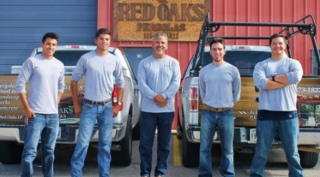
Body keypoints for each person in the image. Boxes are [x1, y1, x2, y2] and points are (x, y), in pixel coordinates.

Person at [70, 28, 124, 177]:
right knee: (82, 143)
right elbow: (74, 81)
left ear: (109, 41)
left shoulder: (114, 60)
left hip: (107, 107)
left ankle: (104, 174)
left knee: (105, 146)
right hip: (89, 106)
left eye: (107, 39)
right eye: (101, 38)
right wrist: (76, 104)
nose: (104, 41)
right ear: (96, 41)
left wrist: (117, 104)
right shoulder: (86, 58)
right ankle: (76, 174)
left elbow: (121, 83)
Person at [250, 33, 304, 177]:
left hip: (289, 114)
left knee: (292, 152)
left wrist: (272, 78)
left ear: (285, 45)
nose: (277, 46)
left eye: (280, 43)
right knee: (261, 151)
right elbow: (261, 83)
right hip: (266, 114)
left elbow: (296, 77)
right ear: (270, 45)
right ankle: (256, 174)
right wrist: (285, 80)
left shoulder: (293, 63)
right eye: (274, 43)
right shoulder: (262, 65)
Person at [17, 33, 65, 177]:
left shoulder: (59, 65)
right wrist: (26, 108)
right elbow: (20, 84)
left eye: (54, 44)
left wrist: (55, 102)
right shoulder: (32, 62)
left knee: (49, 151)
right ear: (42, 44)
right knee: (30, 151)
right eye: (48, 44)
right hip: (35, 114)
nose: (51, 47)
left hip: (52, 116)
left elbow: (61, 87)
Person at [138, 33, 181, 177]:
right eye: (157, 42)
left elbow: (176, 83)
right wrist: (156, 97)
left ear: (167, 45)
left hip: (166, 110)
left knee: (164, 145)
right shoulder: (144, 63)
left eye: (162, 43)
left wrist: (163, 96)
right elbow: (142, 84)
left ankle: (160, 172)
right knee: (145, 144)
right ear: (152, 44)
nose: (160, 45)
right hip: (148, 111)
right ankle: (145, 172)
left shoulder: (173, 63)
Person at [198, 38, 241, 177]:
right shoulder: (204, 71)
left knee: (228, 148)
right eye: (214, 49)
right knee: (205, 147)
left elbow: (236, 93)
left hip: (226, 113)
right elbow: (203, 92)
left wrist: (226, 104)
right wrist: (211, 103)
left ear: (224, 51)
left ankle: (227, 174)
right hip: (208, 113)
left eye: (220, 49)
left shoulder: (232, 70)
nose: (217, 52)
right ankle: (205, 174)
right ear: (210, 52)